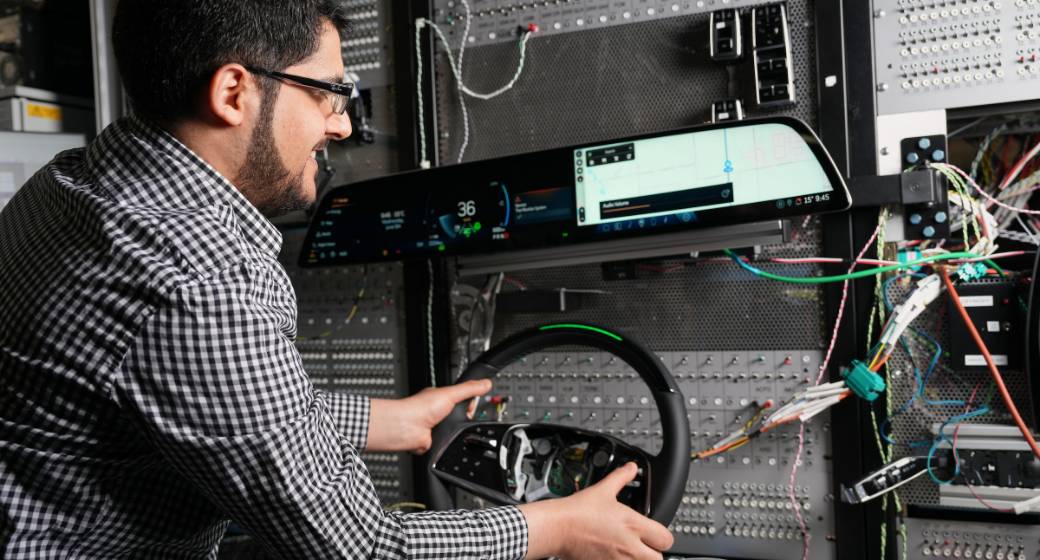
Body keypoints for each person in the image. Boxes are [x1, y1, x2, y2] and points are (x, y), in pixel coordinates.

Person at [0, 1, 675, 559]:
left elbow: (198, 402)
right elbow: (359, 548)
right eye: (328, 93)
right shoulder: (200, 278)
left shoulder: (74, 182)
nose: (344, 123)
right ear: (233, 91)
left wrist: (392, 421)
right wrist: (555, 528)